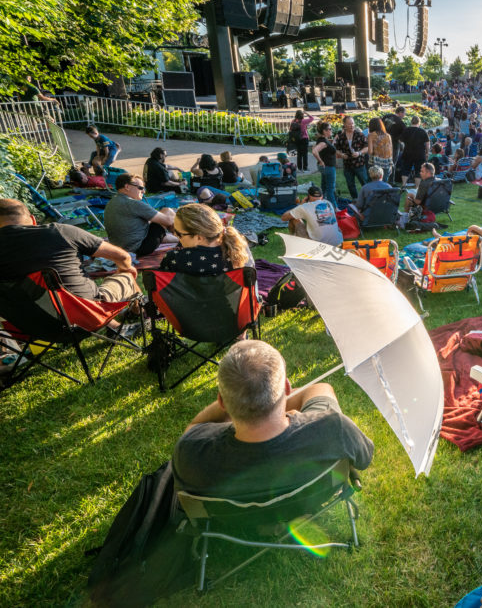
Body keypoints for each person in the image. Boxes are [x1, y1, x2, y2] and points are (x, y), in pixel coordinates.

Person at [172, 340, 374, 499]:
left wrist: (238, 397)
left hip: (230, 521)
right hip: (310, 501)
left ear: (221, 402)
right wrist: (299, 418)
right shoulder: (335, 428)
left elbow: (194, 427)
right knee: (321, 389)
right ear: (287, 388)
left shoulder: (191, 451)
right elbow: (364, 459)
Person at [0, 198, 138, 303]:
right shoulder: (60, 232)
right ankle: (141, 312)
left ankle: (115, 326)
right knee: (128, 274)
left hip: (27, 326)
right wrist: (124, 269)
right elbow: (122, 257)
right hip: (86, 312)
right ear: (33, 220)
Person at [160, 203, 251, 275]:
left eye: (179, 233)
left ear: (199, 237)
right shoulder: (239, 250)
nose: (175, 235)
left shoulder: (174, 258)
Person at [103, 174, 176, 257]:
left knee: (158, 226)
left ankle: (181, 239)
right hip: (140, 248)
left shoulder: (111, 203)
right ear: (127, 186)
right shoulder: (132, 203)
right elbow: (169, 221)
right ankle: (187, 238)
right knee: (167, 211)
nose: (143, 191)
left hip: (121, 248)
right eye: (140, 188)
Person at [310, 121, 338, 208]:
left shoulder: (323, 140)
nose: (331, 130)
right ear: (324, 131)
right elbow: (314, 151)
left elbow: (328, 149)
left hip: (326, 167)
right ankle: (335, 208)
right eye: (329, 129)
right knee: (330, 189)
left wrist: (335, 140)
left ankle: (323, 204)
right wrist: (321, 161)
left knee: (324, 187)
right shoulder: (323, 142)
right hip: (328, 167)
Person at [398, 115, 430, 187]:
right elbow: (427, 144)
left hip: (407, 152)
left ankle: (403, 185)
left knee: (406, 169)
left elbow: (400, 141)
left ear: (411, 121)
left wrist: (403, 147)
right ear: (419, 122)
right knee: (418, 170)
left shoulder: (406, 130)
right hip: (420, 154)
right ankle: (417, 187)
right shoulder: (422, 131)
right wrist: (427, 153)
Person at [367, 117, 393, 181]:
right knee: (384, 182)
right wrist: (391, 165)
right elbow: (391, 151)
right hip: (387, 162)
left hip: (375, 162)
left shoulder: (371, 135)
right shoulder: (388, 135)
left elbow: (370, 151)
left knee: (373, 182)